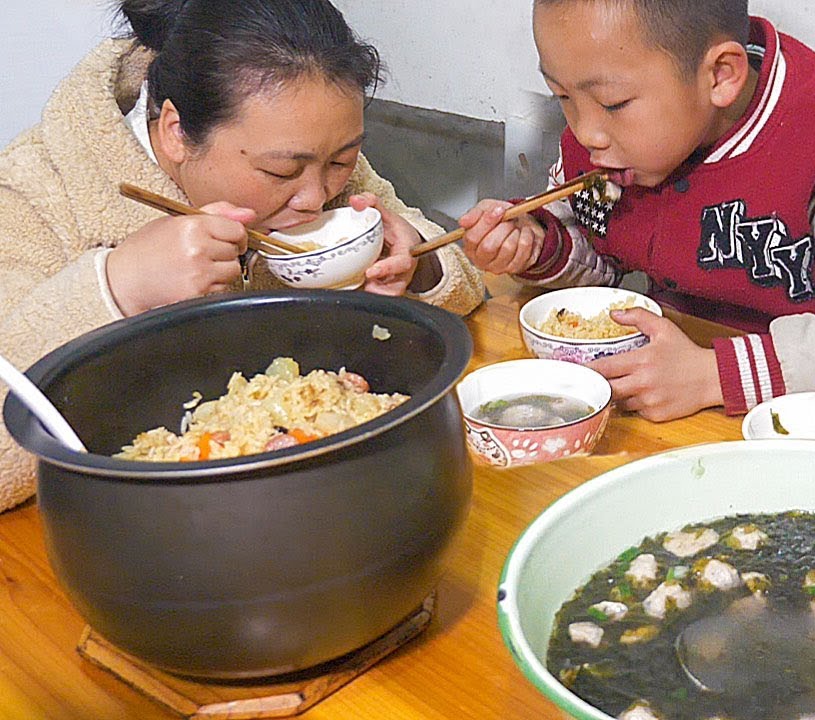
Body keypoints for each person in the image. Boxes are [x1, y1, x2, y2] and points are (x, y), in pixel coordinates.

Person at [0, 0, 486, 512]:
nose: (315, 198)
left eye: (342, 160)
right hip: (141, 527)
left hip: (329, 497)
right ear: (174, 131)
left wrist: (417, 263)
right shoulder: (38, 190)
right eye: (280, 174)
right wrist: (117, 287)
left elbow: (462, 283)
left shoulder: (307, 143)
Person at [459, 0, 815, 421]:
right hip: (668, 411)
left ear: (721, 75)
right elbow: (605, 255)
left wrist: (714, 375)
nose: (585, 132)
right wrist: (538, 247)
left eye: (612, 103)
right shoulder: (613, 143)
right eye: (561, 96)